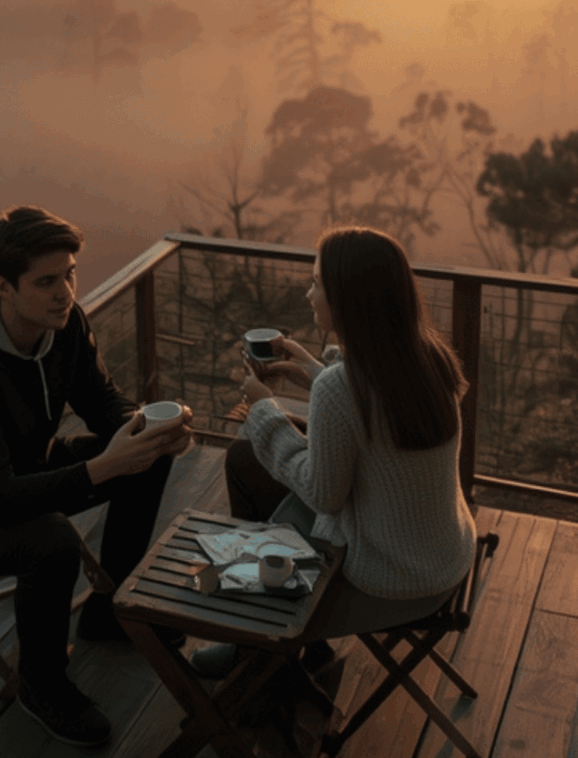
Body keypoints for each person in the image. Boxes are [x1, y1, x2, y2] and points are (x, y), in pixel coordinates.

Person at [0, 205, 193, 749]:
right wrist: (101, 467)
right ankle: (43, 684)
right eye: (47, 281)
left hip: (28, 469)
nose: (65, 292)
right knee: (52, 542)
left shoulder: (65, 323)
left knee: (149, 457)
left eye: (70, 274)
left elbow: (100, 400)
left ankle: (110, 614)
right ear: (2, 287)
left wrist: (147, 430)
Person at [193, 225, 479, 678]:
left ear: (348, 297)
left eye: (316, 283)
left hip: (390, 577)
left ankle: (259, 641)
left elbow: (323, 493)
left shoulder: (340, 388)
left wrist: (263, 408)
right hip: (443, 555)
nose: (309, 294)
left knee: (258, 462)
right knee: (248, 462)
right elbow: (374, 408)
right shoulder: (427, 356)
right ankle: (268, 628)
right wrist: (311, 367)